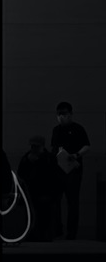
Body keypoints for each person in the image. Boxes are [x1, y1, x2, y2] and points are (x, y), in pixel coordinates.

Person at [51, 101, 91, 240]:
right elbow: (54, 148)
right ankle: (58, 229)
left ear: (70, 114)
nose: (61, 117)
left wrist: (76, 155)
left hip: (73, 169)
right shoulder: (56, 130)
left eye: (64, 114)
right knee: (56, 200)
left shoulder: (78, 129)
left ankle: (71, 232)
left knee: (72, 202)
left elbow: (87, 146)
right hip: (59, 170)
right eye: (59, 114)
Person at [17, 135, 59, 241]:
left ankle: (42, 236)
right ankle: (35, 236)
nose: (34, 148)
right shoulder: (28, 158)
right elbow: (21, 174)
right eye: (33, 146)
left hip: (44, 193)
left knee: (44, 218)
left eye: (36, 146)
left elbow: (52, 177)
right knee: (34, 217)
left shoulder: (48, 158)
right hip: (34, 193)